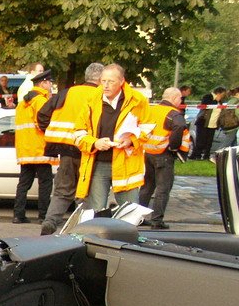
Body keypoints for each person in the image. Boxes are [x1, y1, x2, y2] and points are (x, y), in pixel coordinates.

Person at [36, 62, 104, 235]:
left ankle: (50, 222)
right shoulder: (100, 95)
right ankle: (82, 229)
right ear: (100, 79)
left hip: (66, 150)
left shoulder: (68, 92)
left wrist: (52, 132)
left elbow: (43, 114)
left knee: (62, 191)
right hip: (89, 151)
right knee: (85, 193)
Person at [73, 63, 149, 211]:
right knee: (96, 212)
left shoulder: (137, 101)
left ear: (121, 82)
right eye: (103, 81)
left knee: (128, 212)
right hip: (98, 164)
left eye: (111, 81)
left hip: (126, 164)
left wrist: (131, 140)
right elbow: (78, 132)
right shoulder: (91, 100)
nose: (106, 85)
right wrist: (95, 143)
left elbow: (148, 129)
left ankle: (123, 234)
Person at [139, 87, 188, 230]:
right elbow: (179, 126)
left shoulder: (152, 110)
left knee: (146, 187)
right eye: (180, 99)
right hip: (163, 155)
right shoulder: (174, 114)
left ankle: (138, 218)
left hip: (147, 152)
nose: (180, 101)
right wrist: (174, 147)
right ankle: (157, 221)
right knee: (163, 188)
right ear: (174, 98)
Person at [12, 70, 56, 224]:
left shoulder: (23, 103)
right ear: (43, 83)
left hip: (25, 150)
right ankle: (43, 216)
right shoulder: (40, 101)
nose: (51, 85)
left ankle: (18, 215)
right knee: (45, 184)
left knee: (24, 183)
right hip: (40, 149)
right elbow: (44, 123)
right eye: (50, 82)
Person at [192, 86, 227, 160]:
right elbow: (205, 105)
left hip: (213, 124)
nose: (223, 96)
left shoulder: (220, 101)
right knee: (200, 140)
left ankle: (206, 156)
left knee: (209, 142)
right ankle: (197, 155)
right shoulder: (208, 96)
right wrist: (215, 101)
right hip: (203, 122)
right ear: (218, 93)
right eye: (223, 94)